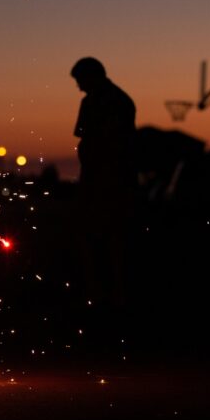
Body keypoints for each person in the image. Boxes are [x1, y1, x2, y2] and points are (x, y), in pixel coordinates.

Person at [70, 57, 136, 337]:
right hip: (97, 182)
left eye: (80, 81)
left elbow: (108, 141)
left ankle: (114, 302)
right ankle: (101, 299)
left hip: (111, 183)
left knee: (112, 240)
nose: (79, 88)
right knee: (95, 240)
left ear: (92, 76)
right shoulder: (99, 100)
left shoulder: (114, 102)